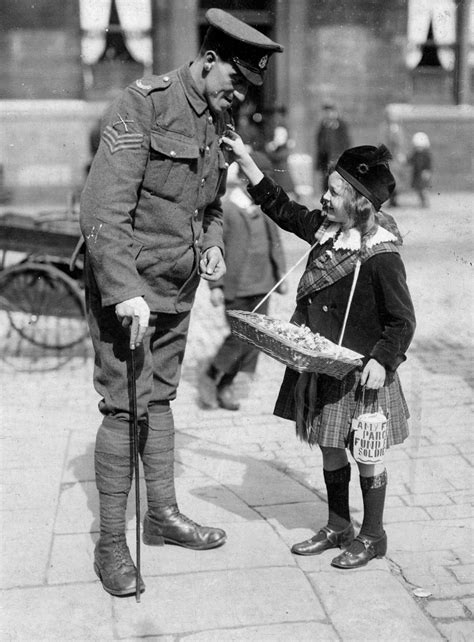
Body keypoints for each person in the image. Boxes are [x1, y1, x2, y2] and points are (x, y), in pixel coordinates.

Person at [79, 8, 283, 597]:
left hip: (178, 286)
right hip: (132, 293)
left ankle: (162, 515)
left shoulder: (215, 121)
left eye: (248, 87)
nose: (240, 94)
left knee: (160, 398)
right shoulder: (142, 104)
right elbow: (102, 210)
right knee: (124, 406)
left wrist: (214, 245)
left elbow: (211, 204)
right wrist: (123, 293)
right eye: (236, 81)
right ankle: (111, 545)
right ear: (210, 58)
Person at [221, 131, 416, 569]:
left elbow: (403, 321)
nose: (323, 198)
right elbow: (282, 207)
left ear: (360, 203)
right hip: (322, 365)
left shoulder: (381, 256)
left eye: (333, 192)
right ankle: (338, 524)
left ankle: (373, 535)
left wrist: (384, 361)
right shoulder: (327, 232)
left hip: (362, 373)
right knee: (329, 446)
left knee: (366, 452)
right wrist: (247, 161)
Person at [199, 152, 287, 411]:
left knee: (258, 337)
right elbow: (212, 247)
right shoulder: (226, 208)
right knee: (240, 336)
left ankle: (228, 387)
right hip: (235, 286)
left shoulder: (263, 208)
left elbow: (275, 243)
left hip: (263, 283)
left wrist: (280, 275)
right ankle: (212, 374)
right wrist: (215, 287)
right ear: (241, 180)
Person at [315, 102, 351, 191]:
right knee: (325, 178)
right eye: (326, 112)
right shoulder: (323, 125)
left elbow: (346, 142)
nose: (328, 114)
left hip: (337, 158)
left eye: (330, 111)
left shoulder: (341, 124)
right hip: (325, 158)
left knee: (336, 179)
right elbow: (319, 141)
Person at [408, 132, 432, 208]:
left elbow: (428, 164)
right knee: (417, 189)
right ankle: (422, 202)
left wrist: (427, 171)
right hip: (416, 174)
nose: (419, 149)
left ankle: (425, 202)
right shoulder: (415, 154)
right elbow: (410, 160)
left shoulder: (426, 154)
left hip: (423, 174)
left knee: (423, 189)